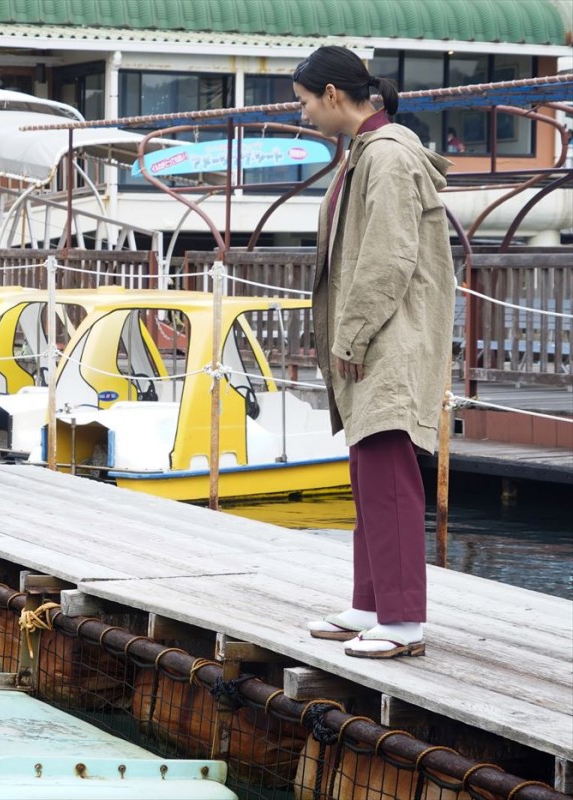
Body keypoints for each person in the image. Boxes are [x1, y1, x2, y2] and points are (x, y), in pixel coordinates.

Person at [291, 46, 454, 659]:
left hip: (391, 336)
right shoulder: (366, 153)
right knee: (369, 473)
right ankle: (369, 603)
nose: (305, 114)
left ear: (333, 94)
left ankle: (404, 619)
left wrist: (352, 335)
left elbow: (388, 258)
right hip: (377, 336)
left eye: (306, 102)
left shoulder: (384, 157)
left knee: (388, 476)